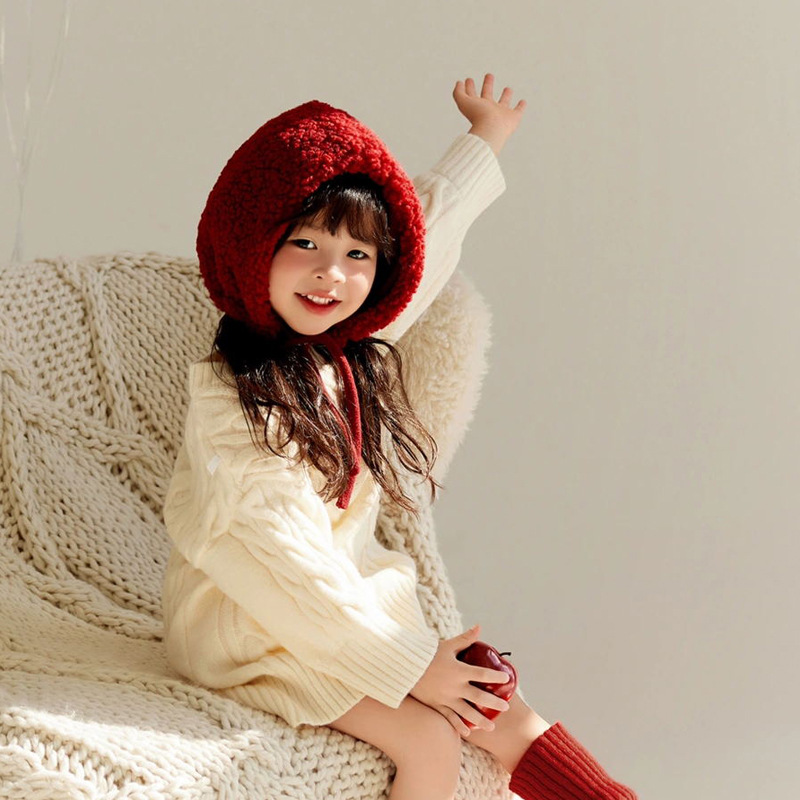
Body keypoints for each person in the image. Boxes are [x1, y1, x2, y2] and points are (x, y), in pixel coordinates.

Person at [161, 74, 638, 800]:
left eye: (358, 255)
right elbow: (280, 563)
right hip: (253, 630)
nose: (331, 274)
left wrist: (485, 139)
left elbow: (427, 238)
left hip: (346, 610)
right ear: (253, 248)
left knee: (498, 704)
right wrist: (412, 665)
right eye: (304, 243)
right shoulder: (237, 404)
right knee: (430, 736)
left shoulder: (345, 351)